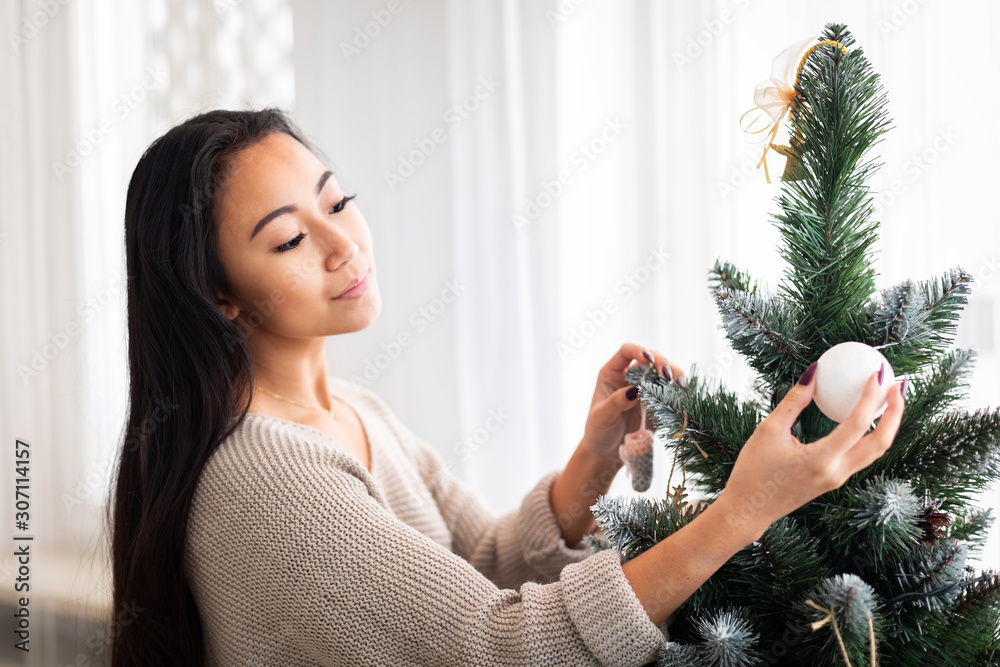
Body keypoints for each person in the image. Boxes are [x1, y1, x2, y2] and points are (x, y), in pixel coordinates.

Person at [106, 107, 906, 666]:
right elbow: (496, 649)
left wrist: (587, 467)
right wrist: (745, 509)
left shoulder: (353, 411)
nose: (342, 242)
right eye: (287, 238)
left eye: (338, 201)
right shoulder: (265, 478)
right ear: (218, 294)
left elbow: (479, 564)